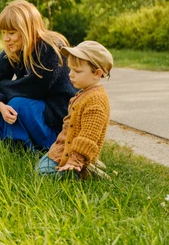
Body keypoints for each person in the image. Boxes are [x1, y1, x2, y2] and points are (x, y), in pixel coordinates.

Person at [0, 0, 76, 151]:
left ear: (28, 29)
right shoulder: (11, 52)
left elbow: (34, 88)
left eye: (11, 33)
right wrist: (0, 105)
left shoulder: (50, 48)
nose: (6, 38)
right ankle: (6, 147)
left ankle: (29, 149)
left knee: (18, 104)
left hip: (57, 122)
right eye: (3, 33)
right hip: (37, 111)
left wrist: (1, 87)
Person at [37, 40, 113, 178]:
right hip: (66, 148)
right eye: (70, 69)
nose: (70, 74)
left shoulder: (96, 101)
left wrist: (75, 160)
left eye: (77, 71)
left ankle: (84, 170)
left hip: (75, 158)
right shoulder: (85, 92)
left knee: (42, 174)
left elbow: (88, 137)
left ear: (97, 73)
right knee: (42, 165)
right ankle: (89, 164)